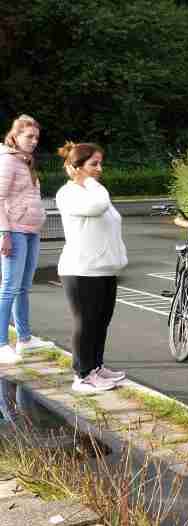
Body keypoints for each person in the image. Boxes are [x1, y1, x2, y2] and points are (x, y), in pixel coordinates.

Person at [56, 142, 128, 394]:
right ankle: (82, 376)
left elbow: (110, 221)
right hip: (81, 270)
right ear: (77, 167)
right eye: (93, 164)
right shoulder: (69, 193)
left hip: (104, 269)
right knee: (86, 323)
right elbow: (97, 207)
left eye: (100, 163)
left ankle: (95, 367)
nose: (99, 168)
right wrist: (89, 182)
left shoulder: (94, 191)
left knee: (100, 322)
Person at [0, 115, 54, 365]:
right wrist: (4, 234)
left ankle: (24, 339)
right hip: (14, 230)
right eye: (29, 136)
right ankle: (1, 344)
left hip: (31, 230)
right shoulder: (8, 161)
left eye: (36, 138)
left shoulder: (25, 162)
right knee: (9, 287)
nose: (33, 141)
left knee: (23, 287)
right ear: (15, 136)